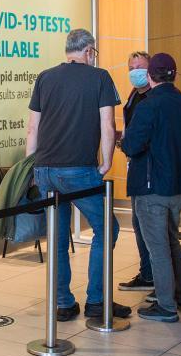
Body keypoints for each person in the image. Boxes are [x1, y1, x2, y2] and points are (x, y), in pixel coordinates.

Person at [26, 28, 126, 322]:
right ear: (89, 51)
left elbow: (32, 128)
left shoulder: (44, 77)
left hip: (45, 168)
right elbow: (108, 124)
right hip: (78, 169)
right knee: (107, 228)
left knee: (57, 237)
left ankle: (64, 303)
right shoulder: (100, 77)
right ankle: (96, 301)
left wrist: (31, 168)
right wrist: (106, 161)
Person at [120, 53, 181, 322]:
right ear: (174, 75)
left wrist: (123, 142)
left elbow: (132, 145)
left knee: (158, 248)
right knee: (172, 241)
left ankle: (166, 306)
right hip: (179, 187)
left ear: (150, 76)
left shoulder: (148, 106)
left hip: (152, 188)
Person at [119, 52, 154, 293]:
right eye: (131, 67)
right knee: (138, 222)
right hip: (135, 164)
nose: (135, 71)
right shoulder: (134, 95)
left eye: (140, 67)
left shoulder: (154, 98)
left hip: (149, 170)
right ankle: (147, 273)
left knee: (147, 224)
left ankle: (154, 277)